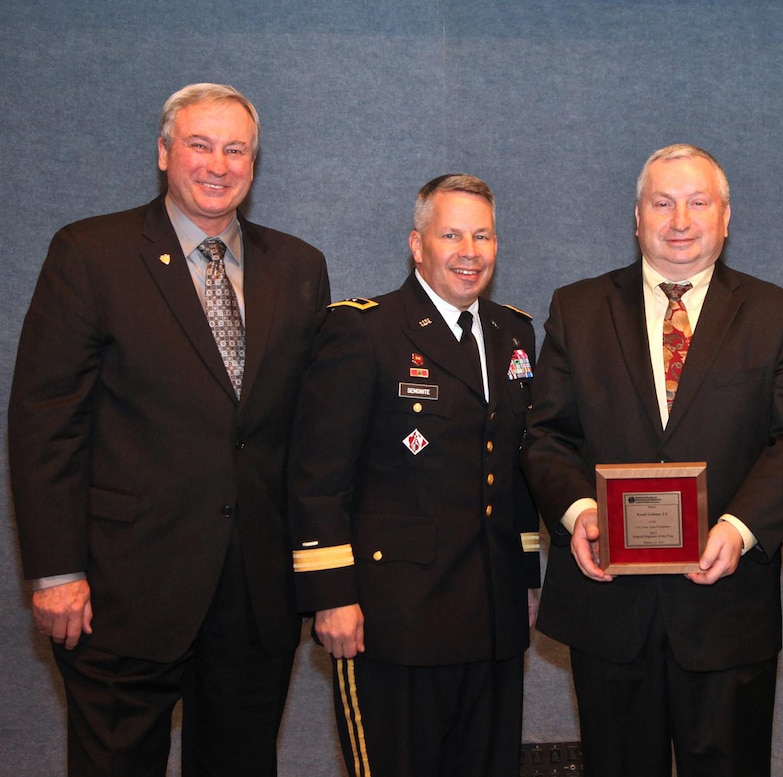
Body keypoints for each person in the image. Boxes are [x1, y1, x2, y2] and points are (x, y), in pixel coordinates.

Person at [8, 83, 331, 775]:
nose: (218, 164)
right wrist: (57, 570)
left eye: (235, 149)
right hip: (122, 588)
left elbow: (310, 436)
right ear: (163, 153)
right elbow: (45, 420)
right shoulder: (91, 253)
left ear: (255, 162)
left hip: (255, 593)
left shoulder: (300, 268)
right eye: (200, 145)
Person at [521, 144, 783, 777]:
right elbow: (546, 435)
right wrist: (579, 513)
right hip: (609, 609)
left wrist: (739, 530)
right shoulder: (577, 309)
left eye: (697, 202)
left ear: (725, 216)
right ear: (637, 218)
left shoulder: (777, 315)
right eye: (662, 203)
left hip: (726, 608)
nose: (679, 219)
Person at [287, 174, 540, 777]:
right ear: (416, 244)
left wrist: (527, 577)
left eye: (483, 235)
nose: (469, 250)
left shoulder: (516, 333)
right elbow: (317, 475)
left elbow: (517, 469)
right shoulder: (364, 328)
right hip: (392, 618)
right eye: (450, 234)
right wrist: (331, 595)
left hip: (493, 616)